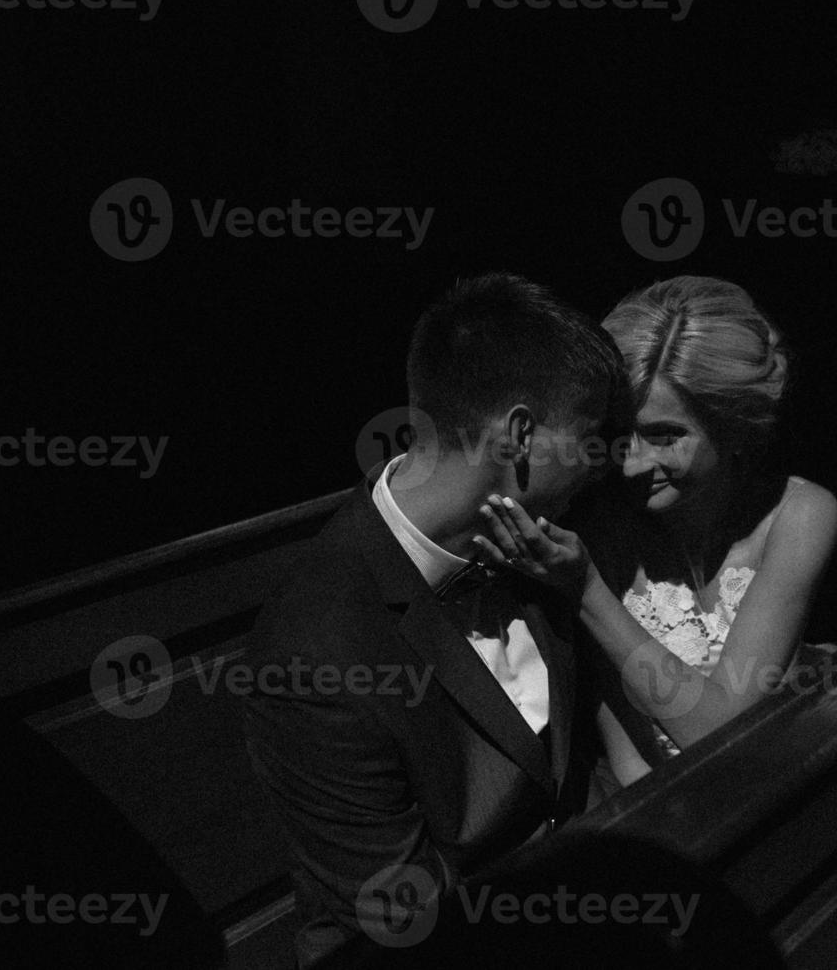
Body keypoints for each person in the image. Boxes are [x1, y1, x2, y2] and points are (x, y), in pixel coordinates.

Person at [242, 272, 622, 967]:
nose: (601, 468)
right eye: (591, 440)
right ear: (520, 436)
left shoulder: (539, 543)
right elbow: (406, 922)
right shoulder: (314, 650)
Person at [474, 275, 837, 787]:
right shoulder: (592, 527)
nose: (631, 466)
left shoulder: (800, 514)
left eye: (666, 436)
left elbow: (730, 729)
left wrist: (587, 592)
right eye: (623, 437)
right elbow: (631, 765)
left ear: (732, 426)